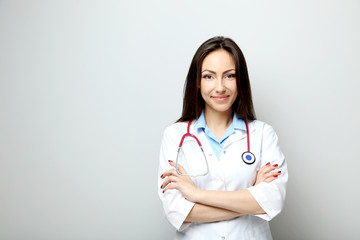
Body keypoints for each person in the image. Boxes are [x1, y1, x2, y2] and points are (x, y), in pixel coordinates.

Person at [158, 36, 288, 240]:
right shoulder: (175, 136)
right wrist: (252, 197)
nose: (220, 87)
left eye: (229, 76)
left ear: (241, 81)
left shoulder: (263, 134)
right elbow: (176, 211)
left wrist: (197, 195)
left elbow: (273, 200)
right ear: (197, 83)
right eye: (209, 76)